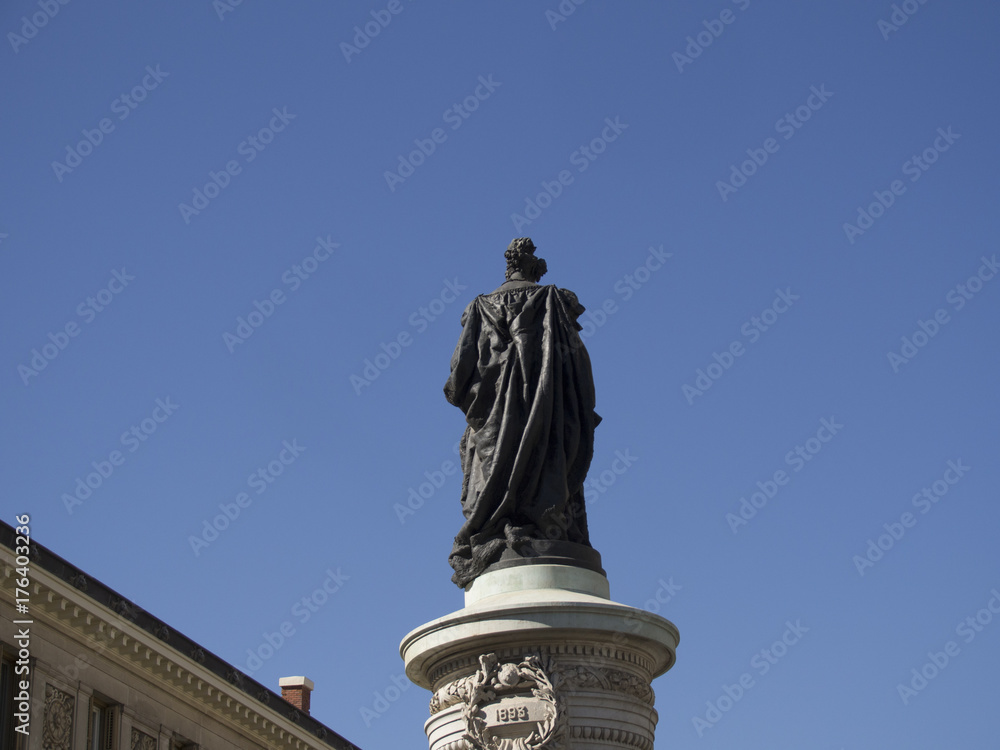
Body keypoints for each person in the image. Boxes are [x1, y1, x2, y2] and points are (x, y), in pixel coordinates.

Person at [444, 238, 602, 588]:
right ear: (534, 268)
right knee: (548, 471)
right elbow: (578, 368)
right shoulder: (554, 302)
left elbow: (459, 377)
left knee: (492, 469)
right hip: (547, 419)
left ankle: (501, 521)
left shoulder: (479, 308)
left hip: (494, 427)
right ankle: (542, 520)